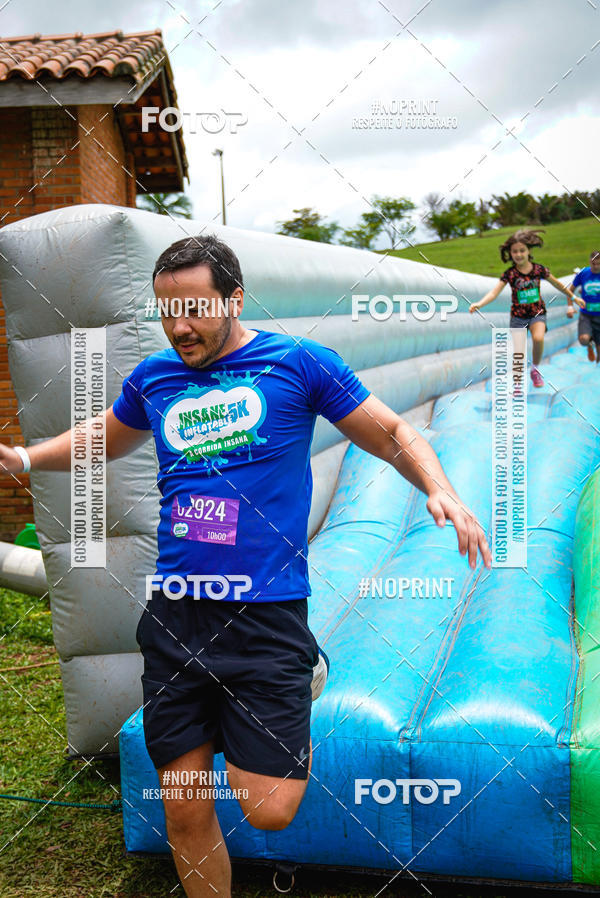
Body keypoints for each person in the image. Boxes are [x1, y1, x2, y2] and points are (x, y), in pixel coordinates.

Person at [0, 235, 491, 898]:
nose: (180, 326)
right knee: (184, 804)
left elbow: (394, 432)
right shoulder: (155, 379)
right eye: (167, 311)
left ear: (234, 297)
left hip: (266, 617)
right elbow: (100, 439)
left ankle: (296, 673)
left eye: (196, 308)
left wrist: (442, 489)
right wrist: (27, 460)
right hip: (176, 616)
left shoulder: (298, 365)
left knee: (268, 806)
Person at [469, 229, 583, 387]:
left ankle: (535, 369)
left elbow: (557, 284)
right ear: (510, 253)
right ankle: (517, 384)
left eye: (522, 250)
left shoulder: (538, 270)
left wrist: (574, 297)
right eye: (514, 251)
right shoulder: (510, 274)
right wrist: (479, 303)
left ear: (529, 251)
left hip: (537, 313)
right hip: (518, 316)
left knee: (538, 338)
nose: (519, 254)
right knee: (518, 352)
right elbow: (494, 293)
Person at [570, 251, 600, 362]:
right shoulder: (583, 273)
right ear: (589, 262)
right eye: (593, 264)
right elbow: (571, 291)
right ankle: (589, 345)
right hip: (586, 315)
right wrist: (570, 307)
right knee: (583, 340)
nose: (596, 266)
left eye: (598, 264)